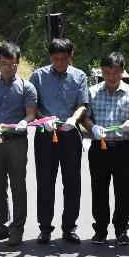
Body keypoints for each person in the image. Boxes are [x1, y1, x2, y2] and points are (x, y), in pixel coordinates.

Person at [29, 38, 88, 244]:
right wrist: (42, 119)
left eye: (64, 59)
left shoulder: (79, 76)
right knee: (45, 181)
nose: (60, 63)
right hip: (46, 133)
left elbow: (82, 104)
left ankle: (69, 227)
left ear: (71, 57)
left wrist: (74, 118)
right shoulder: (38, 75)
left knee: (72, 183)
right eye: (56, 59)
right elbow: (31, 104)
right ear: (50, 57)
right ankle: (45, 228)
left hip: (70, 133)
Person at [82, 52, 129, 245]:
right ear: (102, 71)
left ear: (122, 71)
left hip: (124, 148)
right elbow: (85, 117)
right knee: (99, 189)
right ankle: (100, 229)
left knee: (123, 191)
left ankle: (121, 230)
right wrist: (92, 127)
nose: (111, 76)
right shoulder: (92, 92)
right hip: (99, 147)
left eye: (115, 72)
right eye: (107, 72)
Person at [0, 43, 37, 246]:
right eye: (4, 63)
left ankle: (17, 228)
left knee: (18, 185)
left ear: (18, 63)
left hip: (17, 142)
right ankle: (1, 226)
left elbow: (31, 113)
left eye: (12, 64)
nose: (8, 68)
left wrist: (26, 121)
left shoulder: (26, 87)